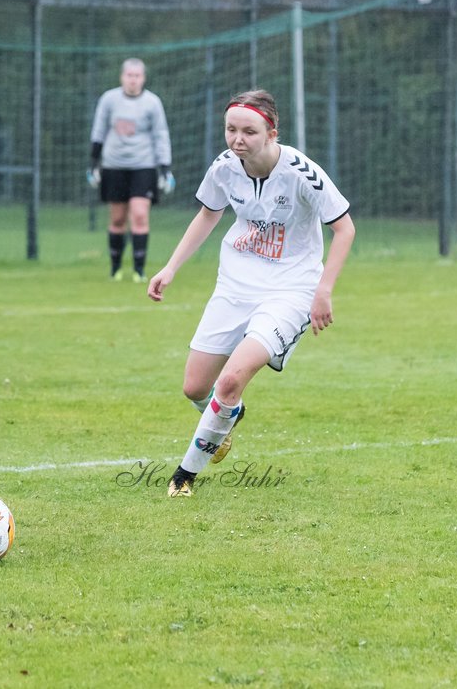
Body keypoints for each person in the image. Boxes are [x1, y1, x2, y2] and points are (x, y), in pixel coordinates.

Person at [146, 90, 355, 498]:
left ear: (271, 132)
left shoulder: (301, 172)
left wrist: (323, 291)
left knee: (229, 382)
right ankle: (228, 418)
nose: (237, 139)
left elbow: (344, 228)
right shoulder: (225, 167)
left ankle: (183, 478)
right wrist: (170, 267)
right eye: (231, 129)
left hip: (290, 291)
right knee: (194, 388)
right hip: (236, 285)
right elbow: (209, 213)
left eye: (249, 131)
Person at [88, 58, 174, 283]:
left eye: (137, 76)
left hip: (143, 166)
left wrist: (165, 168)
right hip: (113, 166)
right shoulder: (109, 99)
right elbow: (99, 130)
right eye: (129, 75)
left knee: (139, 214)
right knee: (117, 218)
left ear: (143, 78)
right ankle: (115, 269)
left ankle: (139, 270)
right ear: (122, 76)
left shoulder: (152, 103)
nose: (133, 80)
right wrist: (93, 163)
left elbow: (160, 135)